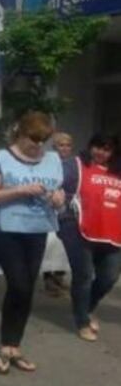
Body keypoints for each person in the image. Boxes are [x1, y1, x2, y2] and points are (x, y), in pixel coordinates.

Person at [0, 111, 64, 374]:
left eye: (43, 140)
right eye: (33, 139)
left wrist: (58, 198)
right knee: (18, 284)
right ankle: (5, 347)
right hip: (7, 229)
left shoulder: (53, 159)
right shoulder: (1, 157)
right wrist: (20, 190)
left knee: (28, 288)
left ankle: (13, 347)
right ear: (20, 132)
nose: (38, 145)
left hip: (37, 228)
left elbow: (60, 190)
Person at [58, 134, 121, 341]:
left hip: (111, 233)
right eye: (98, 147)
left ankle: (86, 307)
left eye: (107, 149)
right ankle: (82, 321)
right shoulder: (75, 165)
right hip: (79, 230)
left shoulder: (117, 172)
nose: (101, 153)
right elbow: (57, 186)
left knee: (109, 277)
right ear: (90, 146)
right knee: (84, 276)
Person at [43, 131, 74, 296]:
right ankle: (48, 279)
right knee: (51, 242)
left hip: (68, 207)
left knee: (65, 243)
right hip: (50, 205)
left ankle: (60, 276)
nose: (65, 148)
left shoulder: (73, 164)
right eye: (61, 145)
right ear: (55, 147)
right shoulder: (48, 162)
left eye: (68, 145)